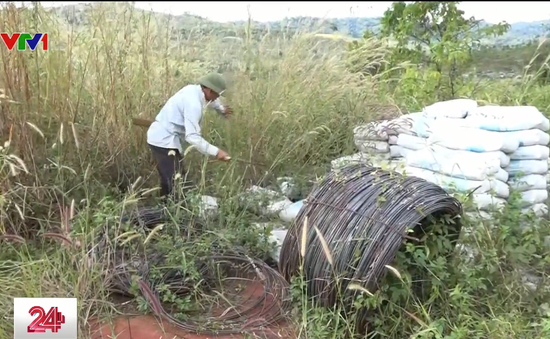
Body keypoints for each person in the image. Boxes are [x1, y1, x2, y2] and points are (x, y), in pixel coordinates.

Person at [146, 72, 232, 198]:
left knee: (173, 180)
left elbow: (211, 100)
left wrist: (221, 109)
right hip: (163, 141)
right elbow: (192, 136)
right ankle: (165, 212)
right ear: (208, 89)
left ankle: (165, 208)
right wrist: (216, 152)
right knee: (176, 184)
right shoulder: (193, 105)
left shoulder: (194, 90)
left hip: (168, 138)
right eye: (216, 94)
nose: (217, 97)